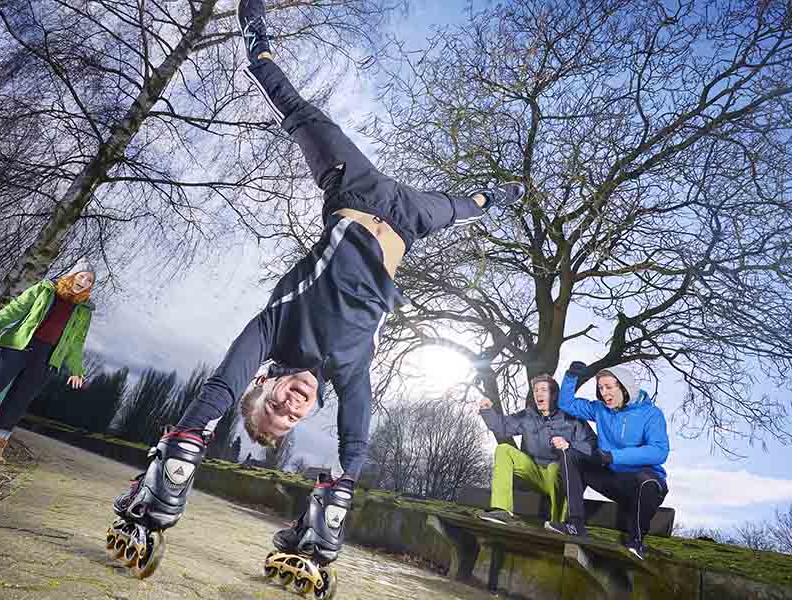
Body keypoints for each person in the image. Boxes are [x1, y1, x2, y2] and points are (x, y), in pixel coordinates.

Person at [108, 0, 526, 576]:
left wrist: (184, 441)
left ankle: (253, 31)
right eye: (290, 420)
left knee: (297, 107)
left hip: (352, 187)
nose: (290, 407)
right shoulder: (349, 371)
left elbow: (222, 384)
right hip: (410, 219)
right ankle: (321, 527)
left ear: (266, 384)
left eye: (274, 407)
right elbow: (357, 430)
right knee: (473, 207)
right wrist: (342, 488)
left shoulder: (275, 329)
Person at [0, 261, 96, 465]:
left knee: (19, 402)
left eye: (89, 280)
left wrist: (76, 370)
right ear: (72, 275)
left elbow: (76, 342)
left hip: (46, 358)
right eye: (82, 276)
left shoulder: (84, 310)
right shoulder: (45, 289)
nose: (84, 282)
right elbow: (15, 309)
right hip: (18, 347)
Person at [554, 360, 670, 560]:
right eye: (600, 388)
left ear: (624, 388)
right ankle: (575, 524)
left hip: (640, 485)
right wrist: (571, 377)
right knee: (570, 455)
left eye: (609, 387)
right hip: (612, 477)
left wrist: (613, 456)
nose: (604, 393)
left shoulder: (651, 414)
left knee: (648, 481)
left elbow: (659, 451)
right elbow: (567, 404)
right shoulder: (600, 409)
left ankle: (636, 542)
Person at [477, 375, 596, 529]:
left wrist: (570, 444)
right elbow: (502, 426)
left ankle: (558, 524)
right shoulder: (528, 415)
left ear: (553, 395)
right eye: (536, 390)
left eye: (543, 390)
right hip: (533, 471)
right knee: (503, 449)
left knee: (555, 468)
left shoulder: (572, 418)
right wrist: (487, 410)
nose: (538, 394)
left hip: (559, 475)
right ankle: (502, 510)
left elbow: (592, 445)